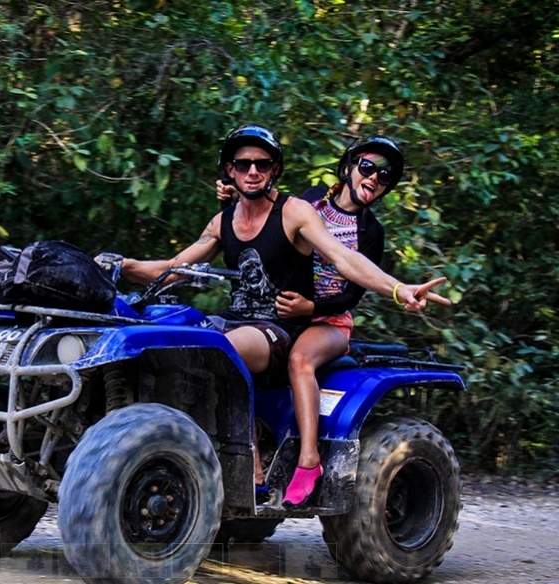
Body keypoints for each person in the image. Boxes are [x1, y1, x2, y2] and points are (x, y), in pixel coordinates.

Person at [120, 124, 449, 504]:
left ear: (275, 168)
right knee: (174, 336)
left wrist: (398, 289)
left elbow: (346, 263)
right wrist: (118, 266)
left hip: (309, 319)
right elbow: (172, 268)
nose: (252, 171)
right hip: (257, 315)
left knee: (277, 357)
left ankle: (287, 460)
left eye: (261, 164)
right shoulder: (298, 203)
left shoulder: (331, 220)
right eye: (242, 165)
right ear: (229, 170)